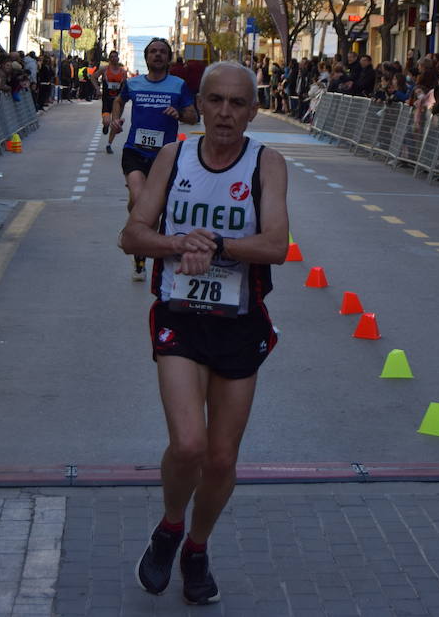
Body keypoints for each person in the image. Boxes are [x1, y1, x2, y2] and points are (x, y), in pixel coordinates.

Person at [119, 61, 289, 607]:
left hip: (240, 323)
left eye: (237, 104)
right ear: (200, 104)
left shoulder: (268, 164)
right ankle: (170, 528)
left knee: (220, 458)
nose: (224, 113)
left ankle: (197, 546)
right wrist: (178, 245)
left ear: (253, 110)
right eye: (214, 100)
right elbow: (132, 235)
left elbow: (276, 246)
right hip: (180, 317)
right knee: (188, 444)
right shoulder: (175, 156)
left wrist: (216, 245)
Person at [110, 39, 197, 280]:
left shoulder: (178, 85)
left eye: (162, 52)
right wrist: (116, 120)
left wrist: (179, 113)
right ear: (146, 57)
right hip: (135, 151)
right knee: (139, 198)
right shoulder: (133, 83)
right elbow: (119, 100)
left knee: (154, 209)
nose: (157, 55)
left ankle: (139, 251)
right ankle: (133, 231)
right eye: (153, 52)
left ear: (168, 58)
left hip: (165, 156)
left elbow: (192, 115)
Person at [101, 50, 126, 151]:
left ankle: (109, 144)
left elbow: (125, 86)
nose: (113, 58)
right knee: (107, 122)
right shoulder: (104, 69)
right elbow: (93, 77)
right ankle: (105, 126)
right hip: (107, 100)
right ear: (109, 58)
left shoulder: (123, 72)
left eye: (115, 56)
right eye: (111, 56)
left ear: (118, 58)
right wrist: (97, 89)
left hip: (118, 102)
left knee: (115, 124)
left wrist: (124, 96)